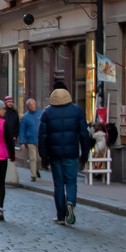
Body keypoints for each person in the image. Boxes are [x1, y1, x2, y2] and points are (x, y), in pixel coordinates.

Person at [37, 85, 92, 226]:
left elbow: (42, 137)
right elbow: (83, 134)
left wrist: (43, 156)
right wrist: (85, 153)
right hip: (71, 153)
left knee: (59, 184)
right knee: (71, 181)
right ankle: (70, 202)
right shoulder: (76, 111)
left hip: (55, 155)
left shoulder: (47, 112)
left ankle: (61, 216)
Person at [18, 98, 42, 182]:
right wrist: (22, 142)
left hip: (40, 140)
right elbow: (22, 131)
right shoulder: (25, 117)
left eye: (33, 104)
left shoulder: (41, 114)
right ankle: (33, 176)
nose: (32, 106)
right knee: (33, 158)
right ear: (27, 106)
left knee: (39, 159)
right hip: (30, 141)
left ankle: (36, 169)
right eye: (30, 105)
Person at [1, 95, 20, 162]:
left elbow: (17, 125)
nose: (10, 103)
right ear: (5, 103)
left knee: (10, 154)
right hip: (3, 137)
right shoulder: (3, 112)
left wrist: (15, 135)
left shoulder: (15, 113)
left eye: (11, 102)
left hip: (12, 137)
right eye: (8, 102)